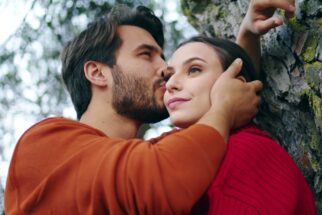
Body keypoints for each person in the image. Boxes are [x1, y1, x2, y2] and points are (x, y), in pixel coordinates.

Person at [4, 0, 297, 213]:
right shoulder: (44, 142)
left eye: (171, 64)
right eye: (146, 55)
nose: (165, 70)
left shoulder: (160, 153)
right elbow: (163, 172)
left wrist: (242, 48)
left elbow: (202, 142)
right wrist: (222, 109)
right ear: (97, 73)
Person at [163, 36, 316, 214]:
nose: (170, 84)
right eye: (168, 75)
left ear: (236, 85)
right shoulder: (181, 153)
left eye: (194, 69)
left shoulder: (245, 152)